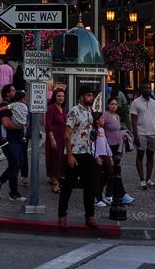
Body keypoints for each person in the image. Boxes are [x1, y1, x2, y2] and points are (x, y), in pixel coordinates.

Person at [58, 85, 100, 230]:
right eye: (88, 95)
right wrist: (69, 155)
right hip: (75, 154)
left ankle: (89, 216)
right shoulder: (74, 111)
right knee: (68, 186)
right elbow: (67, 134)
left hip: (87, 153)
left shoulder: (90, 111)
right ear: (81, 97)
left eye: (92, 95)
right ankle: (62, 215)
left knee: (89, 186)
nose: (91, 98)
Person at [99, 97, 134, 205]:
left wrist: (122, 136)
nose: (114, 106)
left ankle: (110, 194)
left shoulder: (117, 116)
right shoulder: (105, 116)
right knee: (111, 171)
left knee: (114, 172)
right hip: (109, 147)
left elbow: (117, 130)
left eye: (115, 104)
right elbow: (101, 129)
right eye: (112, 104)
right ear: (108, 105)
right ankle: (116, 194)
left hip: (117, 146)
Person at [0, 85, 24, 201]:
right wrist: (20, 126)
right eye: (13, 90)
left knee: (17, 163)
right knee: (15, 165)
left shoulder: (12, 105)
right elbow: (6, 124)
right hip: (9, 141)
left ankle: (0, 180)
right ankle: (13, 193)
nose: (15, 92)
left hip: (16, 140)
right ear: (7, 93)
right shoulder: (5, 106)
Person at [129, 84, 155, 189]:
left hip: (153, 133)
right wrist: (135, 135)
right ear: (141, 90)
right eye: (145, 88)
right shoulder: (135, 102)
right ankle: (142, 179)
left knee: (151, 156)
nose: (147, 89)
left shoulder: (154, 102)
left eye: (148, 88)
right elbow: (133, 120)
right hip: (141, 133)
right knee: (140, 156)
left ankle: (149, 179)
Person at [44, 87, 67, 193]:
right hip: (54, 137)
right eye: (59, 96)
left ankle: (56, 178)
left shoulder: (63, 109)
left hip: (62, 138)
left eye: (62, 96)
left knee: (61, 159)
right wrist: (52, 138)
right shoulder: (51, 108)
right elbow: (48, 125)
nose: (61, 98)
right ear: (55, 97)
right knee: (54, 159)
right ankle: (55, 183)